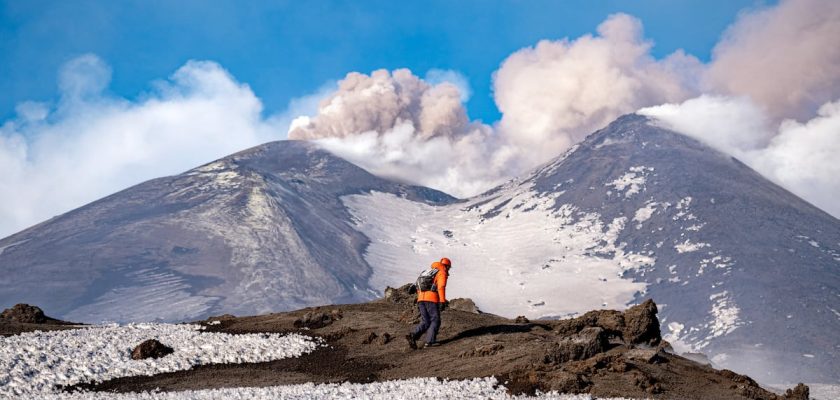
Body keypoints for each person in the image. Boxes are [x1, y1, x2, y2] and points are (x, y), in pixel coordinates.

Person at [407, 257, 452, 349]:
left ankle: (413, 335)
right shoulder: (442, 272)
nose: (448, 270)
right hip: (431, 299)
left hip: (420, 300)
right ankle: (430, 342)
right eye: (449, 267)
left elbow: (416, 285)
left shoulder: (427, 271)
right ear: (446, 266)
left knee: (426, 321)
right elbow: (441, 286)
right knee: (435, 320)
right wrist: (442, 301)